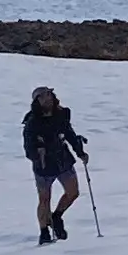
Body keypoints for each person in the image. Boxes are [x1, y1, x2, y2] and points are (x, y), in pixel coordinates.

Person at [23, 85, 89, 244]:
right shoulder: (32, 123)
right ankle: (44, 231)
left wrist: (80, 152)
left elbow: (70, 135)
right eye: (43, 96)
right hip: (44, 165)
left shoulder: (60, 115)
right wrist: (37, 154)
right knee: (44, 199)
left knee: (73, 192)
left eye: (49, 94)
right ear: (37, 101)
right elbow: (28, 148)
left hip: (63, 160)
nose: (48, 98)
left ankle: (56, 217)